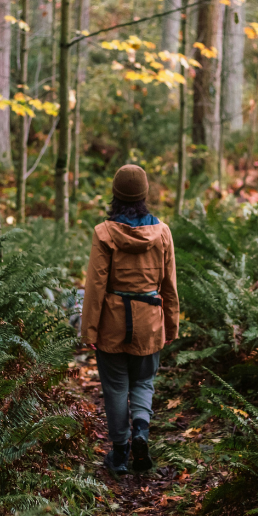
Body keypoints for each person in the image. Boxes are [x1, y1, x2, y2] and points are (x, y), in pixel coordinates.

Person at [80, 164, 179, 475]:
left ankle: (120, 453)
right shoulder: (162, 233)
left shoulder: (104, 233)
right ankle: (141, 430)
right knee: (143, 381)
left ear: (115, 194)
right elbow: (169, 285)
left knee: (115, 387)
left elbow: (96, 286)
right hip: (149, 322)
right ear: (145, 194)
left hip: (112, 322)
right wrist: (171, 324)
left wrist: (89, 330)